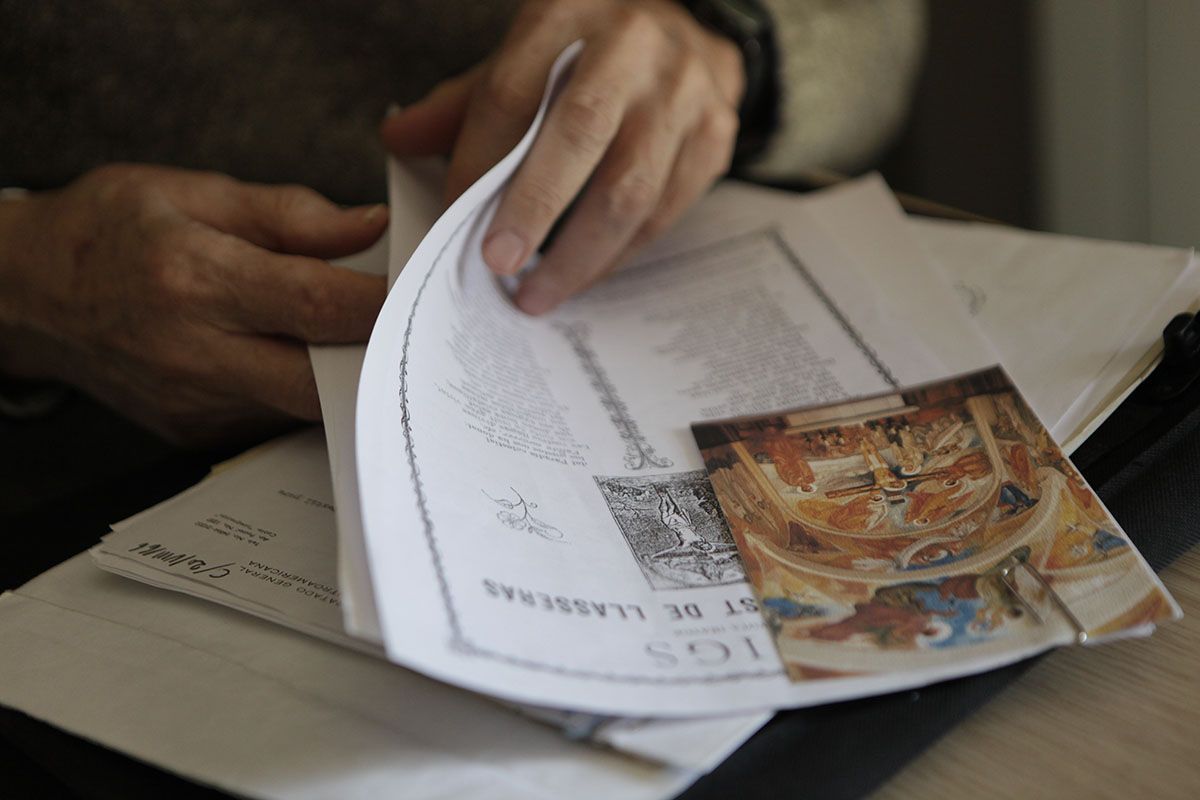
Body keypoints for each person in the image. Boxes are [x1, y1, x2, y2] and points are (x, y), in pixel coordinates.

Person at [0, 0, 925, 445]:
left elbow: (882, 29)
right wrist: (31, 275)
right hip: (73, 440)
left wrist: (731, 41)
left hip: (657, 288)